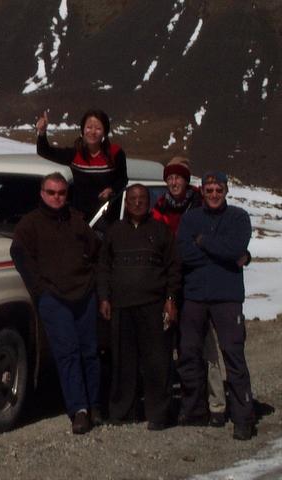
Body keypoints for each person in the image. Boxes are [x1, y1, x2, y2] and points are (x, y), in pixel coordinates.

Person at [10, 172, 101, 434]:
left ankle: (95, 405)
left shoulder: (76, 220)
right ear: (42, 193)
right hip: (53, 297)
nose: (57, 197)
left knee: (90, 353)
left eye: (61, 193)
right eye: (51, 192)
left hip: (83, 293)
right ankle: (79, 410)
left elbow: (95, 249)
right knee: (67, 353)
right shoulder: (30, 224)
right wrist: (40, 290)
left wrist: (92, 279)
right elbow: (19, 254)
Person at [176, 172, 256, 440]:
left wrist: (205, 242)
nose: (213, 194)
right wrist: (222, 254)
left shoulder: (238, 217)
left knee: (233, 355)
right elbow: (184, 254)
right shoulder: (191, 219)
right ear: (202, 191)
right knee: (189, 353)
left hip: (227, 297)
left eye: (217, 190)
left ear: (226, 191)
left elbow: (237, 249)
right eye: (208, 190)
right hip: (195, 296)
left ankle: (244, 418)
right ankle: (195, 410)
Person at [151, 156, 228, 427]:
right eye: (170, 177)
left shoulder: (200, 204)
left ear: (187, 180)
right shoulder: (158, 208)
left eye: (179, 177)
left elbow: (208, 242)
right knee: (174, 346)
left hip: (197, 283)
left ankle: (216, 403)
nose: (174, 181)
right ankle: (185, 402)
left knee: (204, 345)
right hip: (168, 284)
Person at [98, 184, 180, 430]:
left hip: (153, 306)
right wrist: (104, 297)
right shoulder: (115, 231)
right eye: (132, 199)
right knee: (123, 362)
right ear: (126, 202)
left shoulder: (161, 231)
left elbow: (174, 269)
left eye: (142, 198)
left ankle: (159, 414)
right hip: (121, 307)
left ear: (149, 202)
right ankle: (123, 411)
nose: (137, 203)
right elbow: (103, 267)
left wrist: (171, 299)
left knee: (157, 362)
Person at [35, 109, 128, 221]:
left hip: (107, 217)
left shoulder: (115, 153)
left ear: (105, 131)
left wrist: (112, 189)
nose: (93, 132)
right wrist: (42, 132)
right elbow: (44, 151)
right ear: (83, 130)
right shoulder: (75, 154)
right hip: (79, 218)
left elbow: (123, 179)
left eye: (98, 128)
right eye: (89, 127)